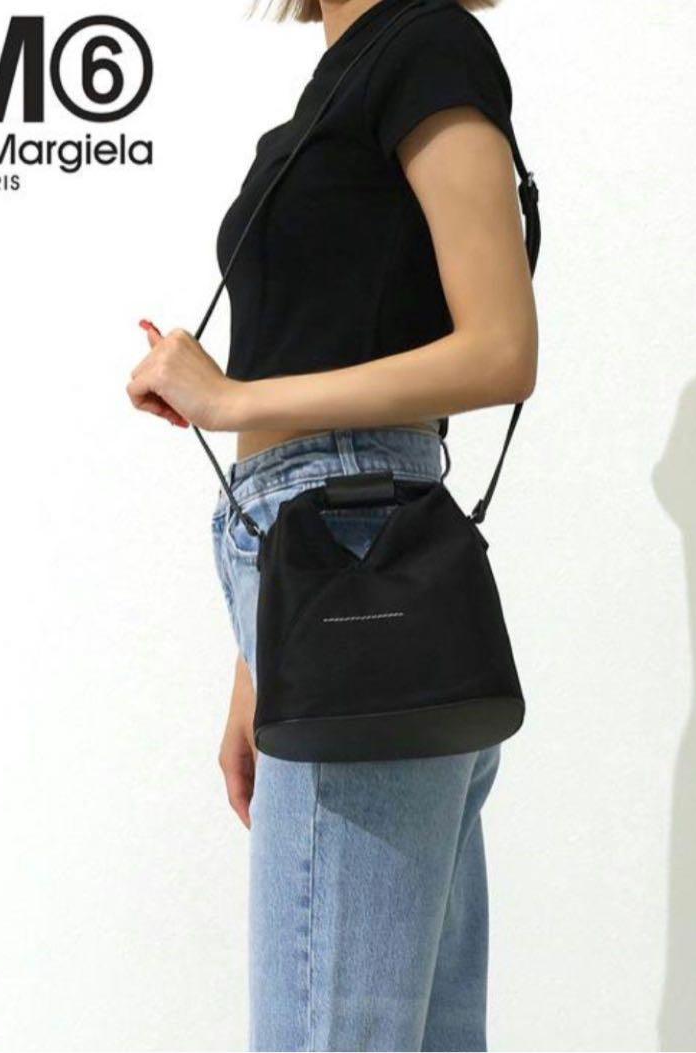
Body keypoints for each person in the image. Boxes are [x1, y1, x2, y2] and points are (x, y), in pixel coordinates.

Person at [126, 0, 537, 1048]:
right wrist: (257, 660)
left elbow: (502, 348)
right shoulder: (340, 82)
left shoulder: (428, 43)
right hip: (323, 582)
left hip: (363, 566)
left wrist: (231, 400)